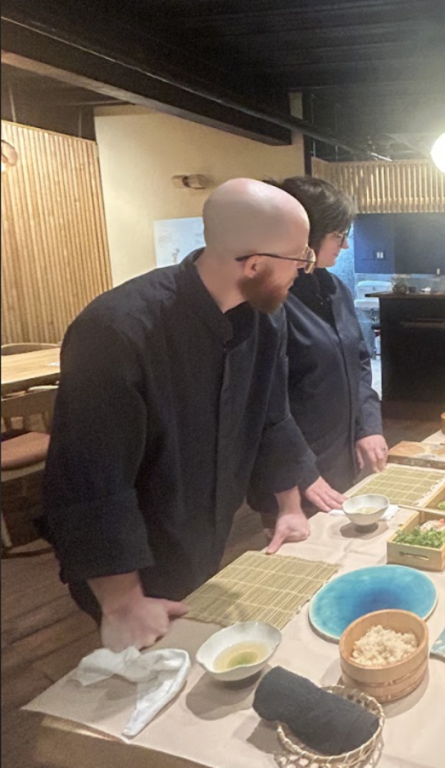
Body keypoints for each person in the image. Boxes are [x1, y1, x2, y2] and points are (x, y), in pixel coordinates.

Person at [41, 178, 348, 652]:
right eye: (300, 258)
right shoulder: (117, 329)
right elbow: (89, 479)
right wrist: (122, 603)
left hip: (205, 532)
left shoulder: (266, 316)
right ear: (255, 264)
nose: (305, 270)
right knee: (144, 670)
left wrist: (288, 507)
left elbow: (271, 416)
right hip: (131, 559)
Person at [248, 176, 386, 517]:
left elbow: (359, 361)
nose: (346, 245)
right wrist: (302, 470)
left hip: (341, 457)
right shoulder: (269, 297)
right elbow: (263, 402)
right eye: (338, 235)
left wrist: (367, 427)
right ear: (306, 233)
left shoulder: (334, 287)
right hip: (292, 470)